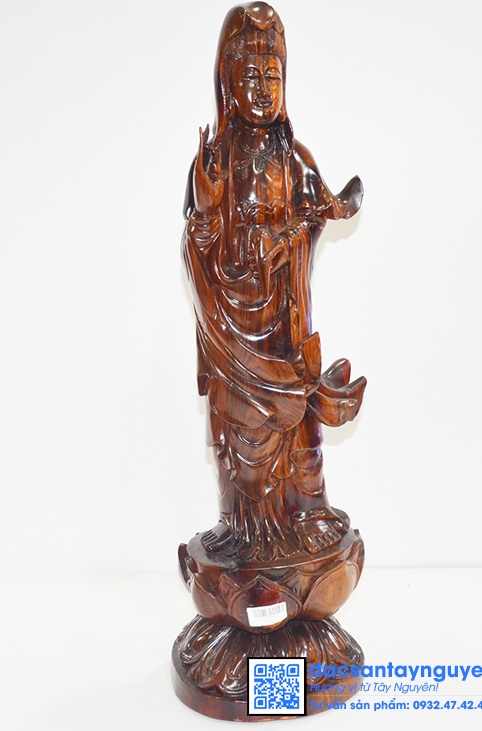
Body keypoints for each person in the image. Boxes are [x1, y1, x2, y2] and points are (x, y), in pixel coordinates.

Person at [182, 2, 366, 562]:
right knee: (240, 433)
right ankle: (241, 532)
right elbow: (197, 246)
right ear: (227, 80)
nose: (263, 89)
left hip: (284, 326)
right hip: (235, 330)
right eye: (250, 75)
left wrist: (302, 229)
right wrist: (207, 213)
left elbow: (329, 206)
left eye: (273, 75)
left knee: (299, 422)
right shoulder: (215, 161)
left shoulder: (295, 160)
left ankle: (306, 514)